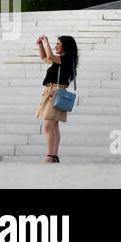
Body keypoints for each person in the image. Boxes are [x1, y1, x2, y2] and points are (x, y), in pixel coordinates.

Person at [35, 34, 78, 163]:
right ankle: (54, 156)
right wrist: (41, 44)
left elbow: (49, 56)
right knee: (54, 127)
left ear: (65, 46)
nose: (56, 46)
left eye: (58, 43)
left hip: (55, 92)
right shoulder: (61, 60)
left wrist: (47, 42)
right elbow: (44, 57)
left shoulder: (67, 59)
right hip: (51, 92)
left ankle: (50, 155)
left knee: (48, 126)